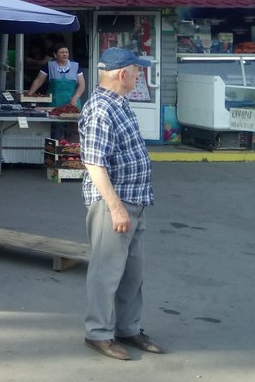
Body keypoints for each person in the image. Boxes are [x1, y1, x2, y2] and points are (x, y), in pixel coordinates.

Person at [79, 47, 164, 361]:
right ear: (122, 73)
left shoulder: (119, 103)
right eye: (137, 70)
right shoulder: (101, 107)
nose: (139, 75)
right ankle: (98, 333)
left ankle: (128, 327)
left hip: (135, 200)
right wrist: (115, 207)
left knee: (132, 273)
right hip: (114, 204)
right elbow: (94, 162)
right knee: (106, 272)